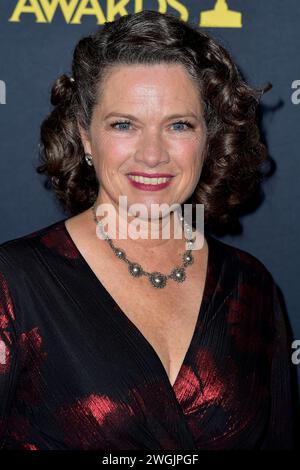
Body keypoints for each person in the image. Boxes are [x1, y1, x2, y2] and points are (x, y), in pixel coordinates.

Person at [0, 10, 295, 450]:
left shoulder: (251, 287)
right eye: (124, 125)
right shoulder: (13, 282)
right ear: (85, 135)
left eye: (179, 125)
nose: (153, 154)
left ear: (209, 137)